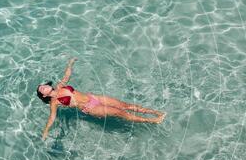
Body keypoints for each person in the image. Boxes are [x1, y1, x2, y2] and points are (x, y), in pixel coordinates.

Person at [37, 57, 166, 140]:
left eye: (43, 85)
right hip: (91, 108)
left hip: (94, 98)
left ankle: (154, 112)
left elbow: (66, 75)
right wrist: (46, 131)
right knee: (120, 113)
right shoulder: (54, 102)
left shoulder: (60, 86)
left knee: (125, 105)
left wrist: (70, 63)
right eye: (41, 89)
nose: (43, 87)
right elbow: (52, 117)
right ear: (44, 95)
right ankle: (153, 121)